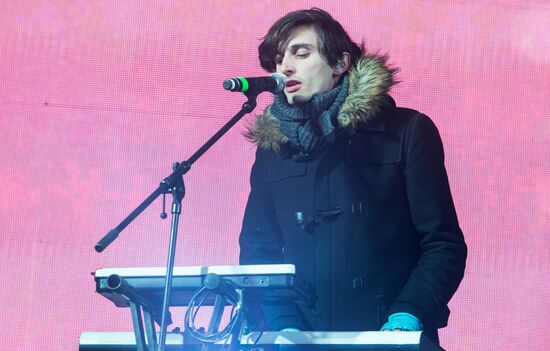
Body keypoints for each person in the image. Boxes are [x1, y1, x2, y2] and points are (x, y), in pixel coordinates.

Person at [238, 8, 467, 345]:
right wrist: (283, 324)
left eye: (301, 53)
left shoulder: (406, 131)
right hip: (300, 339)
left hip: (392, 337)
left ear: (340, 63)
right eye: (278, 59)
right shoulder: (274, 149)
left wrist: (407, 316)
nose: (285, 66)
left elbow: (443, 244)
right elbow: (258, 253)